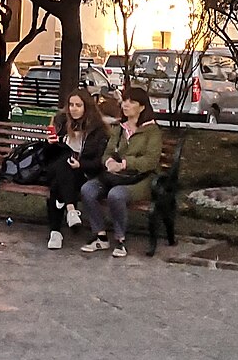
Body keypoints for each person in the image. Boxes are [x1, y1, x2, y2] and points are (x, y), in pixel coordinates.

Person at [82, 87, 162, 259]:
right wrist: (109, 162)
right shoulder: (119, 128)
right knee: (87, 190)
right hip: (115, 176)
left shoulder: (151, 131)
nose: (125, 105)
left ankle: (120, 239)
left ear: (142, 107)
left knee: (116, 195)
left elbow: (150, 161)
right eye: (124, 101)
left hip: (140, 179)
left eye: (131, 102)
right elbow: (108, 152)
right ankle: (100, 236)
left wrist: (124, 164)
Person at [45, 87, 108, 250]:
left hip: (84, 172)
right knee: (63, 163)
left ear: (87, 107)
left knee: (57, 186)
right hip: (60, 169)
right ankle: (71, 209)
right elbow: (50, 155)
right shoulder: (61, 121)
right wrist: (51, 143)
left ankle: (55, 232)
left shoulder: (98, 129)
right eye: (71, 105)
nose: (73, 109)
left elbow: (99, 161)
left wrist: (81, 164)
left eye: (78, 105)